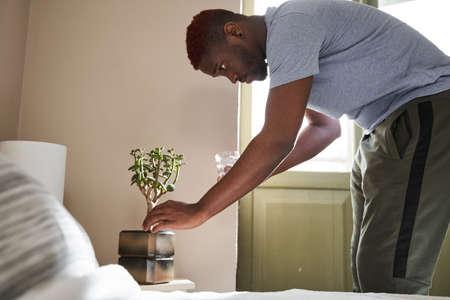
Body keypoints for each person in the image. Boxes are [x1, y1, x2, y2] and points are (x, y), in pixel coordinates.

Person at [143, 0, 450, 294]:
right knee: (369, 273)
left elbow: (278, 138)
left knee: (390, 279)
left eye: (223, 66)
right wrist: (249, 174)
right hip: (384, 126)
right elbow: (323, 129)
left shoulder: (291, 26)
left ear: (235, 31)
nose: (232, 78)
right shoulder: (290, 56)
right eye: (222, 75)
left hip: (424, 112)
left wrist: (202, 210)